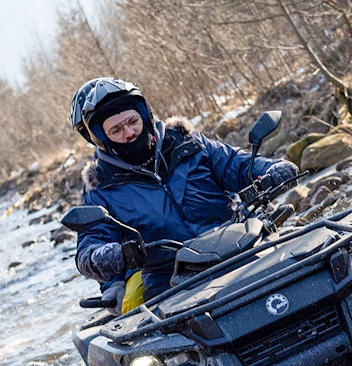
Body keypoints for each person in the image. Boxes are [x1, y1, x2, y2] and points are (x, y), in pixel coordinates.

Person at [70, 77, 299, 314]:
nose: (129, 133)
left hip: (240, 247)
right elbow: (89, 248)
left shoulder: (189, 143)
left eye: (132, 121)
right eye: (116, 130)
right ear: (101, 138)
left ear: (144, 114)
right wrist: (110, 255)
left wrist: (272, 171)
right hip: (170, 283)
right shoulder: (101, 188)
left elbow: (237, 164)